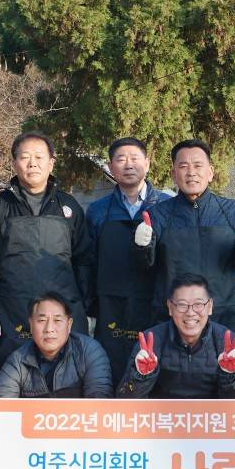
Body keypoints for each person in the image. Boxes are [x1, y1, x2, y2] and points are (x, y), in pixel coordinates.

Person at [0, 131, 94, 371]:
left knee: (66, 378)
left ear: (51, 163)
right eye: (25, 157)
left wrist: (89, 310)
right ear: (14, 163)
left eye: (39, 156)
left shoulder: (69, 207)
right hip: (13, 313)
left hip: (63, 312)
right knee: (16, 378)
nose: (32, 163)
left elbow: (84, 262)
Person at [133, 139, 235, 342]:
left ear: (210, 172)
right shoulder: (157, 214)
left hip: (222, 314)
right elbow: (143, 266)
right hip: (172, 316)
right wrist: (142, 246)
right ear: (173, 174)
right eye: (183, 166)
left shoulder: (231, 210)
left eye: (198, 165)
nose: (191, 172)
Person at [86, 137, 172, 384]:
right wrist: (89, 309)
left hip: (154, 305)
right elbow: (89, 262)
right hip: (111, 306)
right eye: (121, 159)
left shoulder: (166, 206)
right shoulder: (97, 211)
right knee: (111, 372)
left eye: (135, 158)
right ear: (110, 167)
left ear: (147, 163)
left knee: (152, 371)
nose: (129, 164)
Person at [116, 275, 235, 398]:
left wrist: (230, 375)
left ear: (210, 306)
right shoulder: (150, 341)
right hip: (164, 414)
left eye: (198, 304)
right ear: (170, 307)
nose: (190, 312)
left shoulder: (227, 342)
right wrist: (142, 376)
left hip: (212, 415)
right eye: (182, 305)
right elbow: (124, 398)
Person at [0, 292, 113, 398]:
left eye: (57, 320)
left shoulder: (89, 351)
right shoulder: (18, 361)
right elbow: (2, 408)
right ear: (31, 325)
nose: (49, 329)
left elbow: (99, 403)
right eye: (42, 320)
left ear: (69, 324)